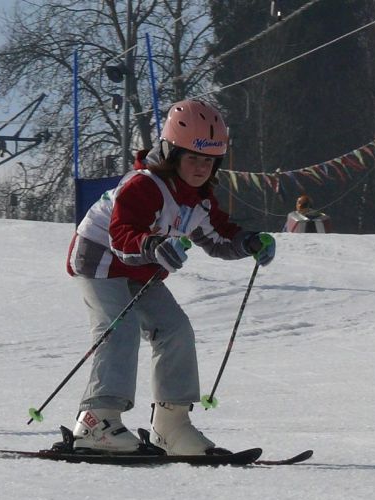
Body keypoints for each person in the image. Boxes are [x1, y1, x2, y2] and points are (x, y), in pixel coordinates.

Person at [66, 99, 276, 455]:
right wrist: (153, 246)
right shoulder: (144, 186)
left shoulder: (197, 200)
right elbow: (122, 235)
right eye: (192, 158)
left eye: (208, 161)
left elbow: (218, 236)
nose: (200, 168)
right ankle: (96, 422)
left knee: (176, 328)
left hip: (141, 269)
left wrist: (248, 242)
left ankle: (172, 425)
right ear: (170, 154)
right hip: (100, 260)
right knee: (120, 325)